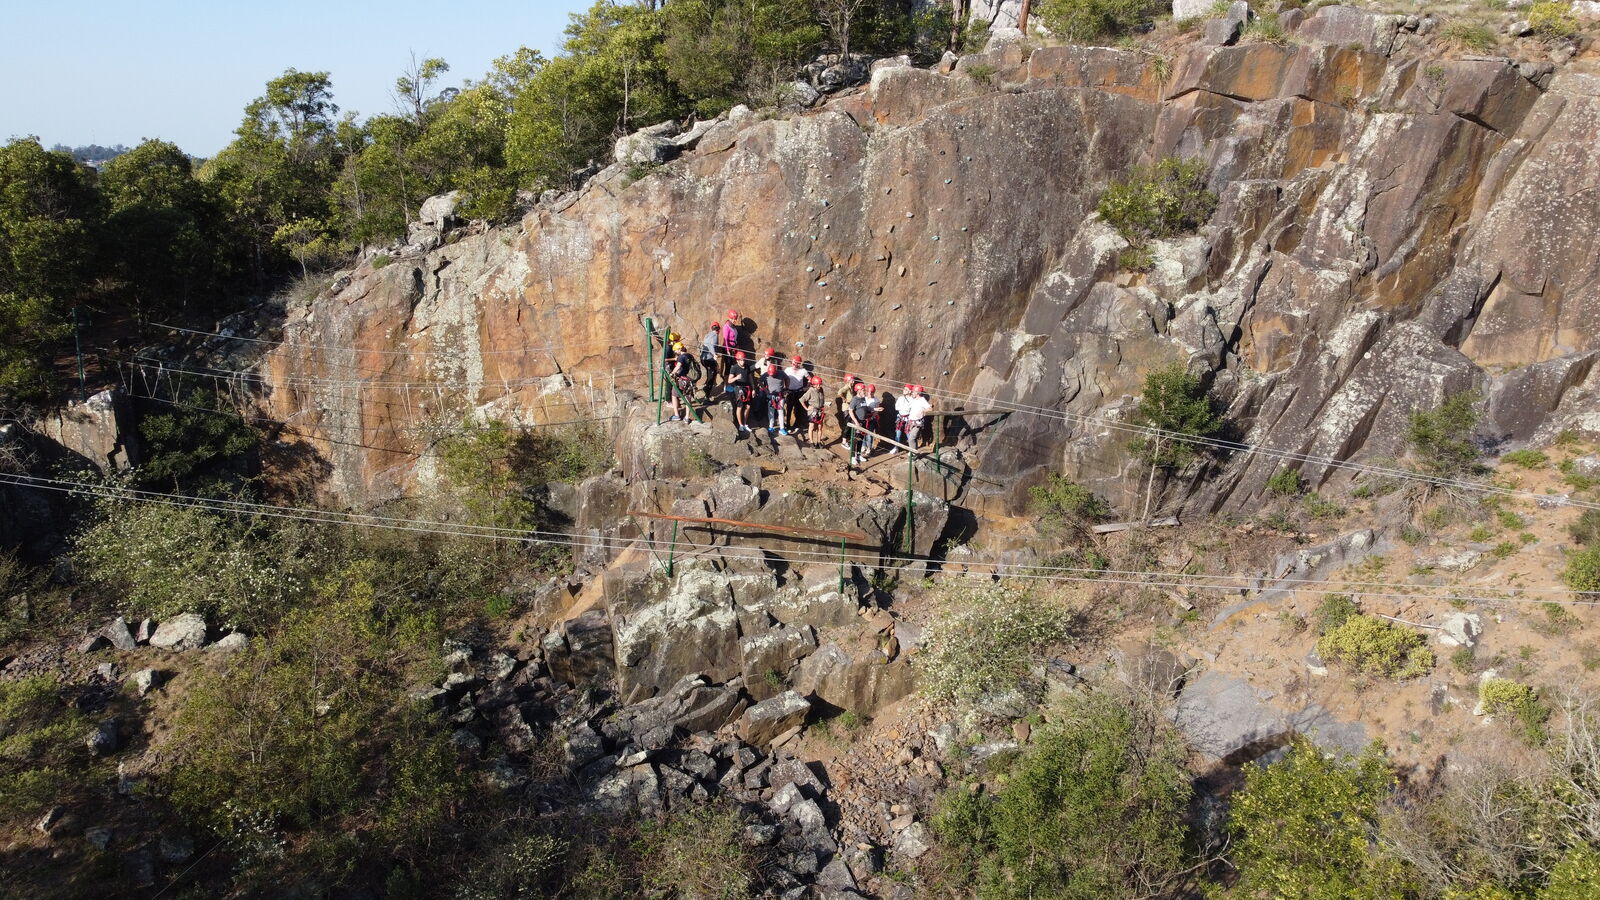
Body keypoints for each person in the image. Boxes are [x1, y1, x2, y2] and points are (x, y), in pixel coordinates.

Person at [891, 384, 933, 454]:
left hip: (917, 423)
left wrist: (923, 411)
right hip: (911, 422)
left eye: (913, 391)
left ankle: (913, 453)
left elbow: (930, 408)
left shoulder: (922, 400)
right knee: (912, 438)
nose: (912, 392)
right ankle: (914, 452)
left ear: (917, 393)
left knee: (911, 438)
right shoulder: (914, 400)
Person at [724, 349, 752, 434]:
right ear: (737, 360)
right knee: (740, 406)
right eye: (741, 360)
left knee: (748, 407)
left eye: (743, 360)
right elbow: (729, 381)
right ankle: (740, 425)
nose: (743, 361)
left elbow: (750, 378)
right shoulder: (734, 368)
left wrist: (753, 389)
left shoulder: (747, 367)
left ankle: (745, 423)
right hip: (739, 388)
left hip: (747, 388)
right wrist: (736, 378)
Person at [666, 339, 695, 421]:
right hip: (690, 380)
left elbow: (678, 367)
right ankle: (687, 417)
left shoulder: (681, 357)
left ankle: (677, 415)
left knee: (674, 395)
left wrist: (672, 373)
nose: (675, 353)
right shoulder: (690, 355)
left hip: (682, 380)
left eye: (675, 351)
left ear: (679, 349)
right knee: (688, 398)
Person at [848, 381, 875, 465]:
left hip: (863, 422)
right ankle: (852, 457)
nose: (865, 392)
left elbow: (865, 408)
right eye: (863, 390)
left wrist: (875, 409)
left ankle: (858, 455)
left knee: (861, 439)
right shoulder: (855, 399)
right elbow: (850, 411)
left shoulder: (863, 398)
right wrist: (856, 422)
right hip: (857, 422)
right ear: (859, 391)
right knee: (855, 440)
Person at [783, 355, 808, 431]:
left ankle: (796, 424)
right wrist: (784, 388)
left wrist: (806, 387)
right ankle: (787, 425)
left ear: (799, 363)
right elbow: (782, 378)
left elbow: (810, 379)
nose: (794, 365)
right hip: (790, 392)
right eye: (793, 363)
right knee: (789, 409)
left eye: (796, 363)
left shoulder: (803, 371)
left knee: (798, 409)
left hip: (799, 392)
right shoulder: (787, 370)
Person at [835, 374, 859, 447]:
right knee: (847, 425)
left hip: (849, 408)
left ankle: (846, 440)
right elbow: (839, 392)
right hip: (846, 408)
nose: (853, 381)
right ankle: (844, 441)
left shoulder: (850, 388)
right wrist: (844, 399)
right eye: (852, 380)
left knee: (849, 425)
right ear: (848, 380)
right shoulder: (846, 387)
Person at [801, 374, 826, 446]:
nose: (819, 386)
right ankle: (812, 442)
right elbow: (802, 399)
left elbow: (822, 398)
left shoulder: (821, 389)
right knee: (811, 426)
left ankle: (818, 442)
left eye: (820, 384)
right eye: (817, 385)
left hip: (820, 410)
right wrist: (806, 408)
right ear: (813, 384)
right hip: (813, 411)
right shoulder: (810, 390)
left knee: (820, 427)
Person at [763, 362, 788, 435]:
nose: (772, 375)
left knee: (780, 412)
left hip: (780, 395)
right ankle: (771, 427)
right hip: (771, 395)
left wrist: (786, 388)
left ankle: (782, 428)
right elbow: (759, 381)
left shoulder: (781, 373)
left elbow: (787, 379)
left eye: (773, 374)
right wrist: (766, 390)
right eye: (771, 374)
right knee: (771, 412)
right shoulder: (766, 374)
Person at [700, 320, 721, 398]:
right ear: (718, 329)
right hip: (709, 359)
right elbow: (711, 346)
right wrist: (714, 354)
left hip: (703, 359)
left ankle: (706, 387)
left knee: (711, 374)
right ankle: (707, 395)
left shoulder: (707, 335)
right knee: (712, 376)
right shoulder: (715, 335)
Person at [720, 310, 740, 378]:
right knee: (728, 366)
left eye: (735, 319)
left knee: (733, 365)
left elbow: (735, 338)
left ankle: (730, 381)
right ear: (729, 318)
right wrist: (728, 350)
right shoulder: (726, 326)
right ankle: (726, 384)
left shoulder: (733, 327)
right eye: (733, 319)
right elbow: (725, 339)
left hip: (733, 348)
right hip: (727, 348)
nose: (734, 320)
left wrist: (736, 346)